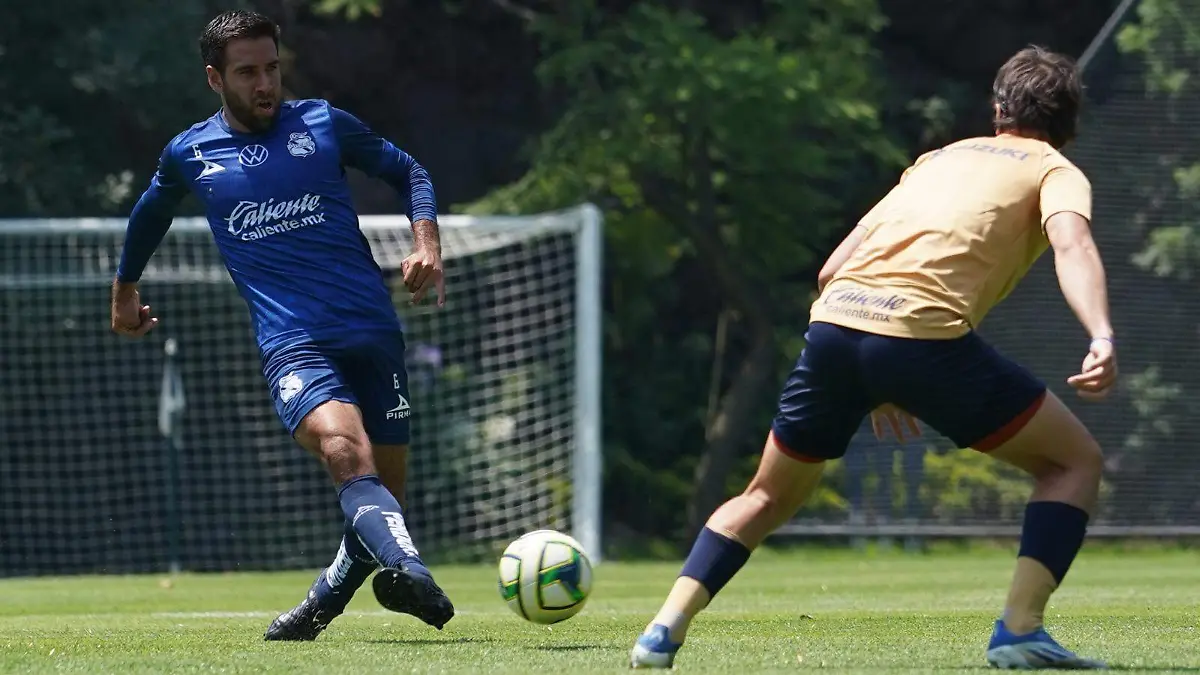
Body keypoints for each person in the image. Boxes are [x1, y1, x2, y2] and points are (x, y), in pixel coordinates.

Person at [631, 45, 1114, 670]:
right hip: (920, 334)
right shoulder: (1056, 170)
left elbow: (833, 267)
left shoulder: (938, 160)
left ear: (997, 108)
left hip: (834, 324)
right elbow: (1071, 244)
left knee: (764, 496)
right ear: (1071, 123)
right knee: (1073, 463)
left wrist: (874, 372)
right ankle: (1020, 631)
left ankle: (663, 629)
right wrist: (1100, 333)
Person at [110, 10, 454, 641]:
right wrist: (125, 289)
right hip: (293, 343)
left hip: (373, 333)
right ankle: (410, 569)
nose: (264, 83)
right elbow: (147, 214)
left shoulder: (322, 123)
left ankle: (321, 606)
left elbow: (412, 173)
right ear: (215, 78)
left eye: (271, 67)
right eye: (247, 72)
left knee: (380, 502)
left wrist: (426, 243)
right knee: (345, 453)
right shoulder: (190, 153)